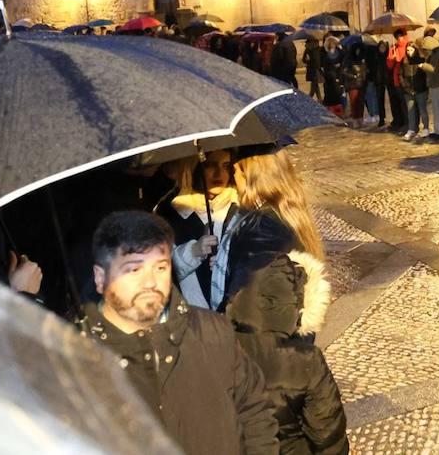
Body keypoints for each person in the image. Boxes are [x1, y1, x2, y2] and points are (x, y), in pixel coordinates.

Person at [82, 211, 280, 454]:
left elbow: (255, 411)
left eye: (160, 267)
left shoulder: (212, 331)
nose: (150, 282)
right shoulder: (72, 358)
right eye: (134, 270)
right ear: (100, 278)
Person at [221, 147, 349, 454]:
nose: (230, 178)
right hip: (293, 358)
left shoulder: (259, 231)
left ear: (254, 178)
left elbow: (257, 314)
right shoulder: (286, 215)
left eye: (236, 171)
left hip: (271, 386)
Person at [163, 150, 239, 310]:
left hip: (235, 313)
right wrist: (193, 251)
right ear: (193, 168)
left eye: (225, 166)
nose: (220, 173)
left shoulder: (241, 208)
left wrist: (227, 262)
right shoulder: (169, 213)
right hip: (195, 318)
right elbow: (163, 270)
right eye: (210, 165)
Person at [386, 29, 411, 132]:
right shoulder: (393, 48)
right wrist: (392, 58)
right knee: (400, 103)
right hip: (397, 79)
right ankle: (402, 123)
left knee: (407, 104)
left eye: (400, 36)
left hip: (406, 78)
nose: (399, 38)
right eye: (397, 36)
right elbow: (389, 65)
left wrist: (398, 58)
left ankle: (409, 124)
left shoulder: (408, 46)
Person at [303, 35, 324, 102]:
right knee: (315, 84)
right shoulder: (307, 50)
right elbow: (304, 59)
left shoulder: (319, 50)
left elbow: (318, 60)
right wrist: (307, 60)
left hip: (316, 69)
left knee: (314, 84)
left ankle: (310, 98)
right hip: (311, 69)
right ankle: (319, 99)